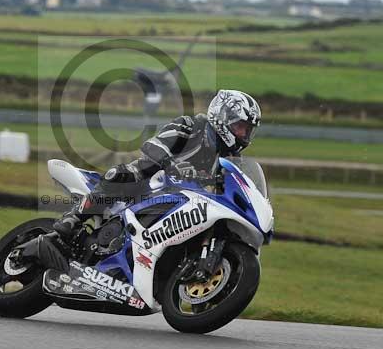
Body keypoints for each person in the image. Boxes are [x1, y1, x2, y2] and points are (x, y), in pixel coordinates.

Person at [54, 89, 262, 241]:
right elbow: (156, 146)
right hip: (155, 183)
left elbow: (232, 188)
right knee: (126, 174)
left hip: (187, 204)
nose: (243, 135)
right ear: (222, 117)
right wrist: (172, 165)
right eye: (239, 126)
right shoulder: (191, 127)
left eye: (247, 130)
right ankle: (74, 218)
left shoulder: (230, 160)